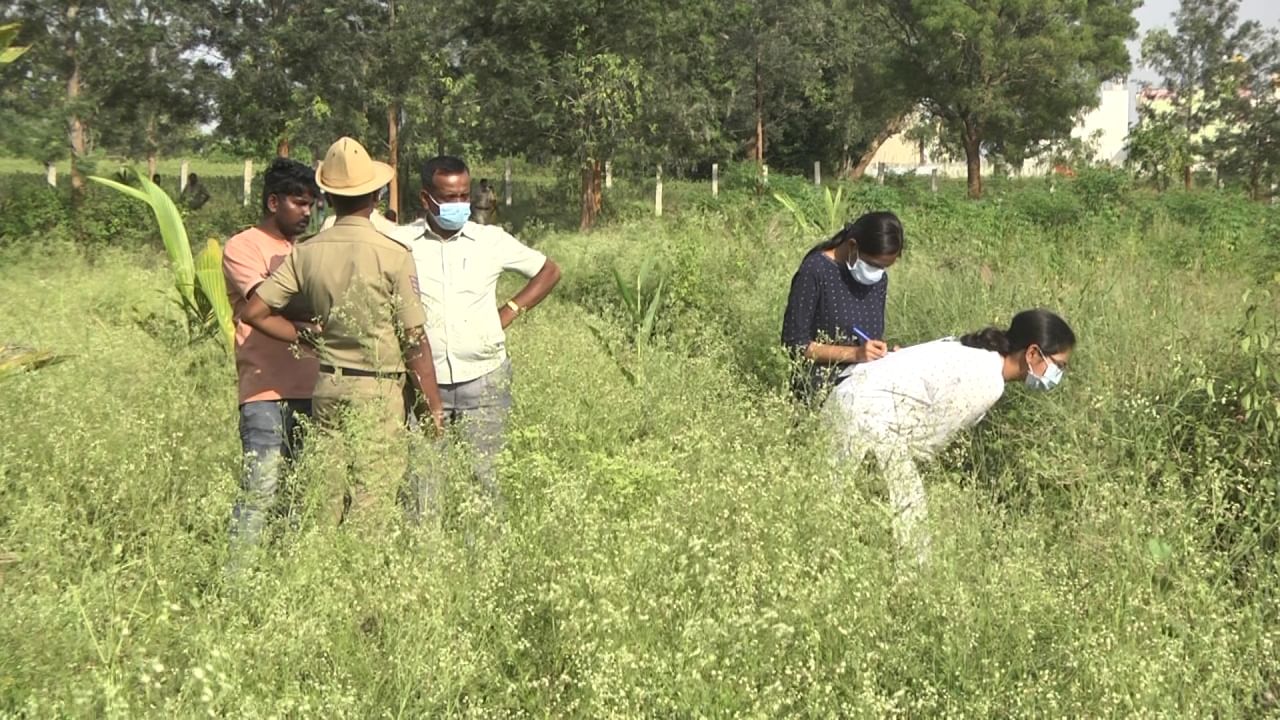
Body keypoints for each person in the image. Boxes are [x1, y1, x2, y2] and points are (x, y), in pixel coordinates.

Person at [242, 136, 446, 528]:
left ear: (328, 198)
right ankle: (359, 572)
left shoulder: (306, 252)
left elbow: (255, 311)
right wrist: (431, 405)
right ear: (375, 195)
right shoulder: (393, 254)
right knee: (373, 493)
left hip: (328, 387)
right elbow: (414, 339)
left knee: (327, 495)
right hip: (379, 389)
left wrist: (302, 336)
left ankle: (322, 565)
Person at [824, 309, 1077, 564]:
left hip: (850, 400)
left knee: (843, 503)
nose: (1059, 375)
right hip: (865, 416)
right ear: (1033, 353)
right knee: (911, 529)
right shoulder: (988, 381)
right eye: (1059, 365)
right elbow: (924, 442)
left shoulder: (980, 356)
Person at [390, 155, 560, 514]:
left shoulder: (490, 240)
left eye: (463, 196)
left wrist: (508, 312)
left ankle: (482, 557)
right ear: (426, 199)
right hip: (423, 380)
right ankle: (426, 556)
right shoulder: (402, 243)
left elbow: (548, 271)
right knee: (422, 481)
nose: (459, 205)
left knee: (483, 477)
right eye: (449, 198)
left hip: (484, 378)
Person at [222, 158, 321, 558]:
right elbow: (267, 304)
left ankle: (284, 574)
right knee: (260, 489)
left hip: (313, 388)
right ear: (272, 202)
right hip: (264, 391)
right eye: (299, 202)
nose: (307, 212)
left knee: (299, 492)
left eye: (312, 204)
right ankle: (237, 584)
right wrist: (313, 319)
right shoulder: (243, 246)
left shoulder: (306, 250)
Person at [781, 212, 904, 405]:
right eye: (873, 265)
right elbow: (795, 345)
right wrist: (854, 354)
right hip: (819, 396)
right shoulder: (815, 271)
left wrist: (883, 353)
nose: (877, 273)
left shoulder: (878, 280)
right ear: (853, 246)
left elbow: (870, 337)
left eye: (884, 268)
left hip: (865, 393)